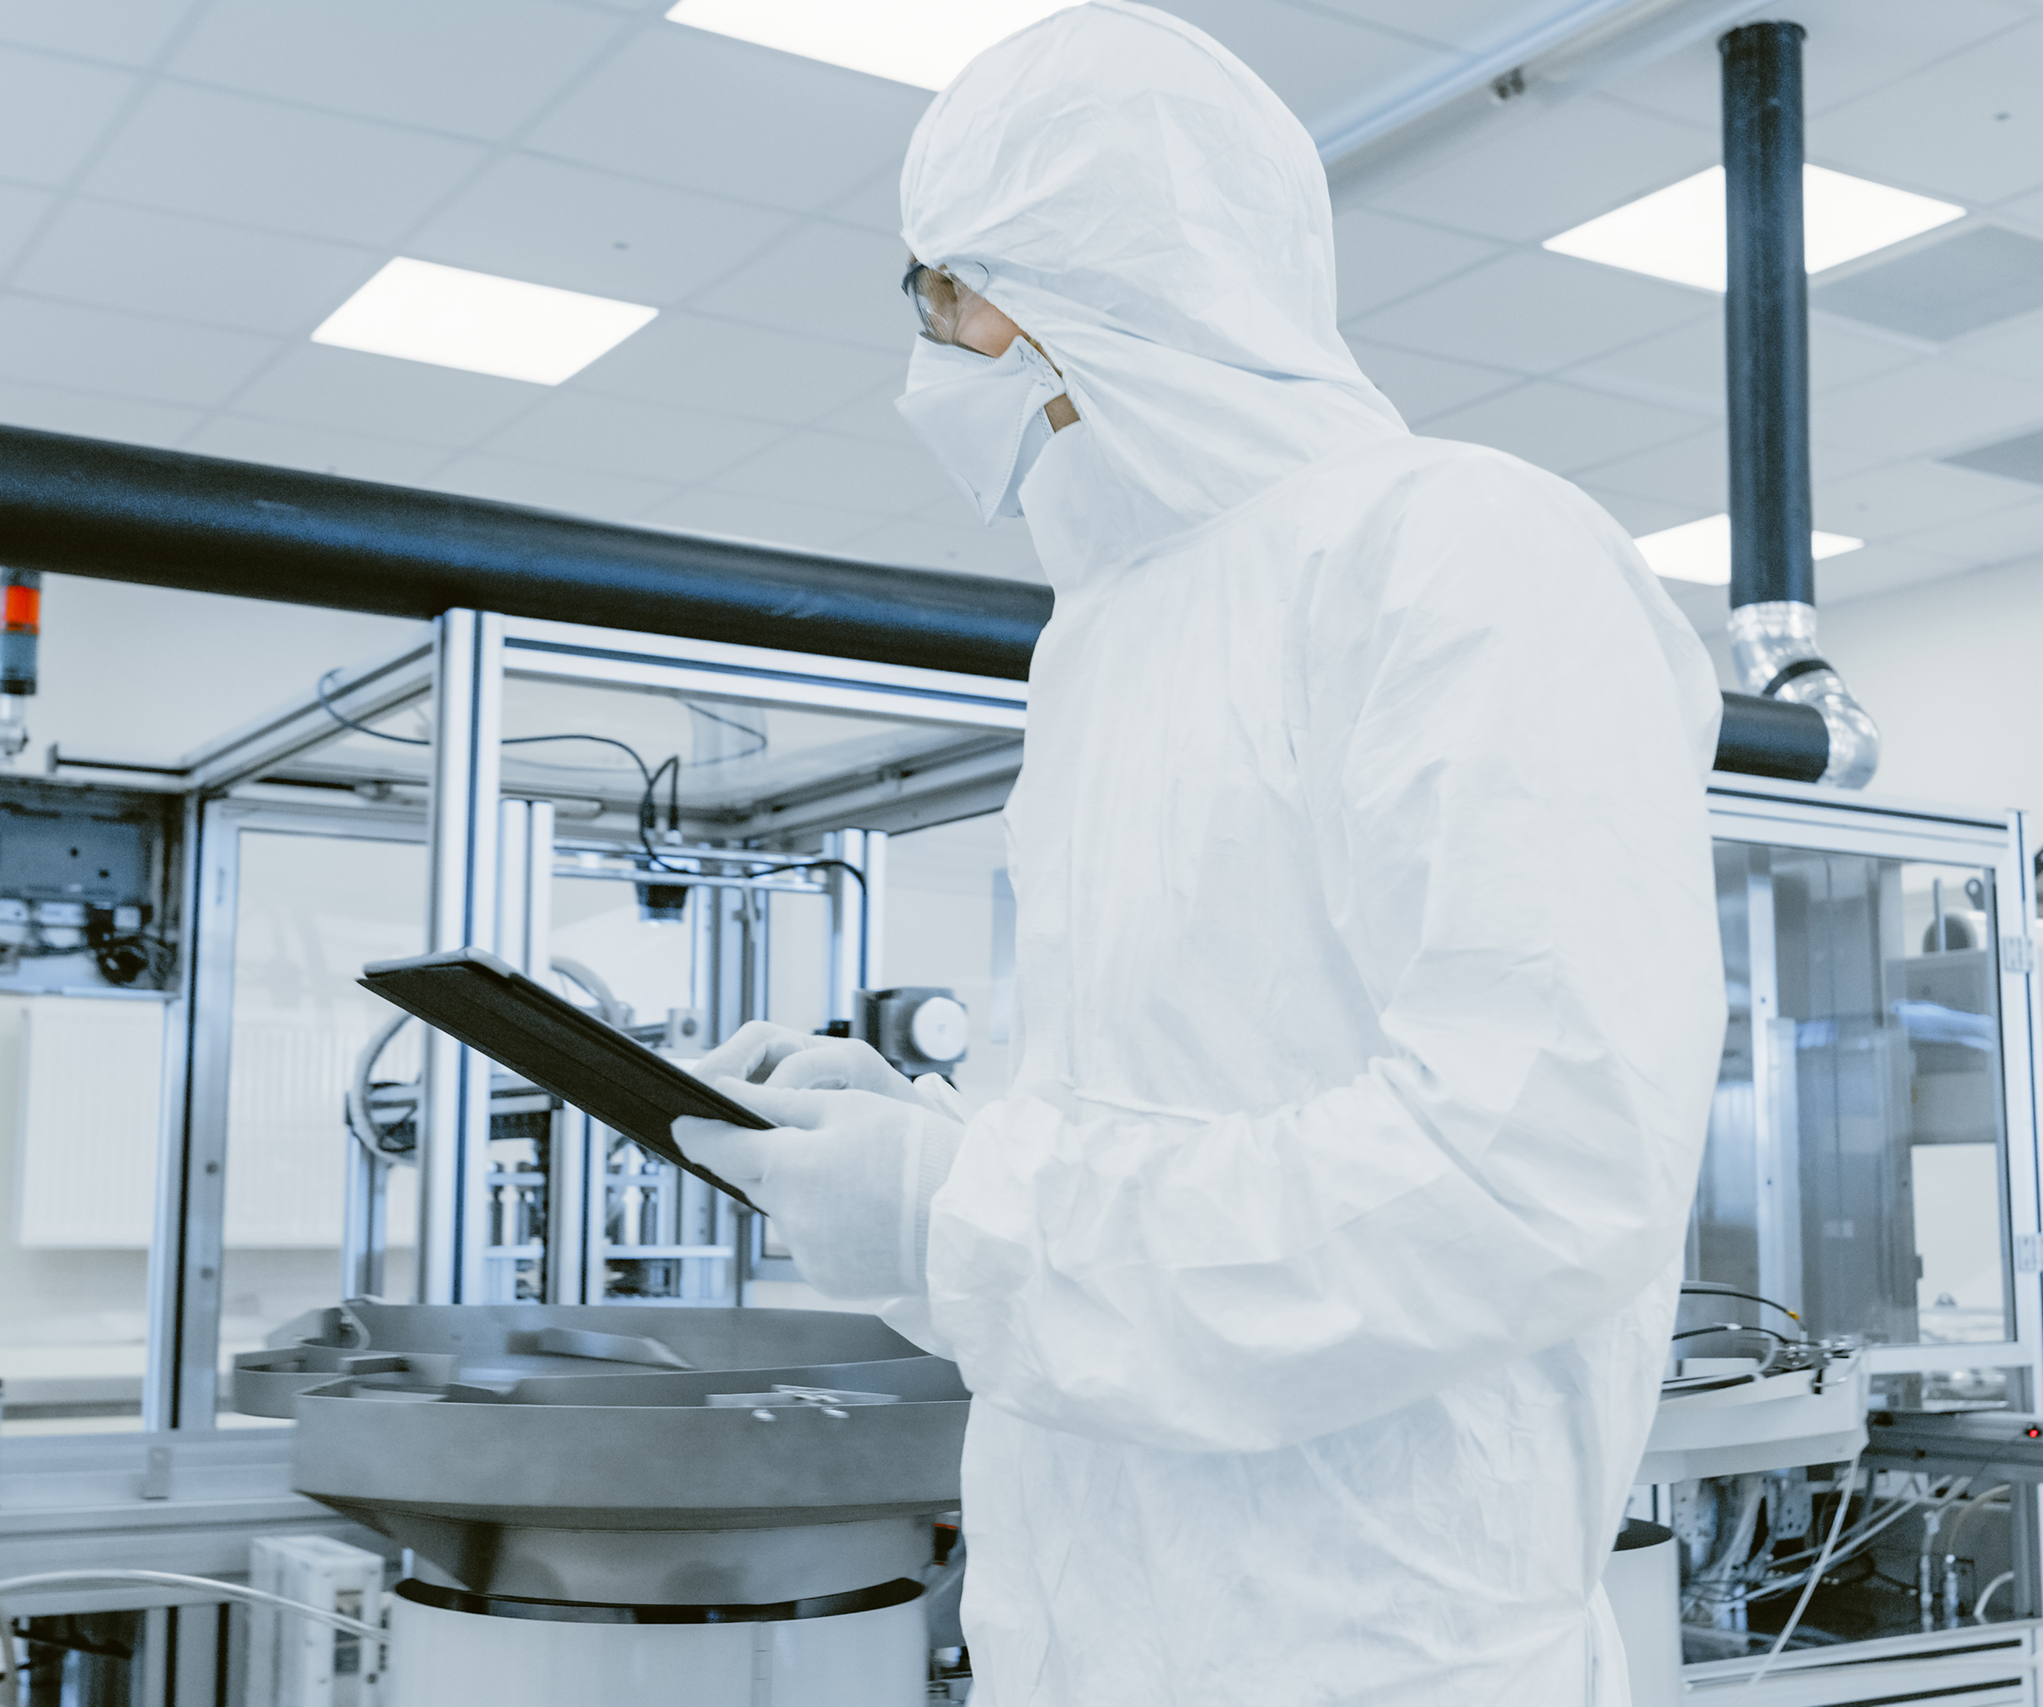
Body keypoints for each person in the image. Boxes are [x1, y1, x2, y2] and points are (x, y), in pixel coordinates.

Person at [673, 3, 1727, 1702]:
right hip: (1091, 1635)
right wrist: (925, 1157)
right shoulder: (1104, 642)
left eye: (942, 290)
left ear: (1076, 279)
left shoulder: (1456, 553)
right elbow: (1160, 1139)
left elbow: (1525, 1176)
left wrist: (966, 1215)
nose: (932, 346)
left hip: (1385, 1660)